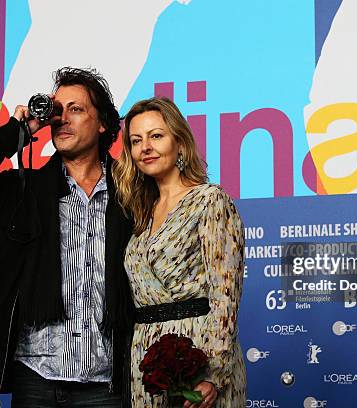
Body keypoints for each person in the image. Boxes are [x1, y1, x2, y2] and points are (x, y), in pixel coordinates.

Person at [0, 67, 134, 408]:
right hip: (36, 379)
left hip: (108, 380)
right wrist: (16, 133)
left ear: (102, 123)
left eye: (76, 109)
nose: (62, 119)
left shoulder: (132, 195)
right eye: (57, 110)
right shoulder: (21, 191)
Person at [113, 97, 247, 408]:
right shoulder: (139, 213)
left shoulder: (210, 201)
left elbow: (225, 296)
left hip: (199, 355)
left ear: (180, 143)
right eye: (136, 140)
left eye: (156, 136)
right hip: (145, 362)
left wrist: (213, 373)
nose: (145, 146)